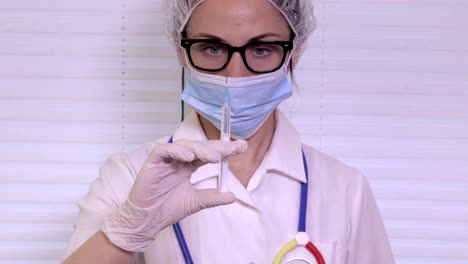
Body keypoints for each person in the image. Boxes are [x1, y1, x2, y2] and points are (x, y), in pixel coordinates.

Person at [62, 0, 395, 263]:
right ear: (181, 49)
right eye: (212, 48)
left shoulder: (345, 187)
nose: (235, 75)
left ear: (295, 51)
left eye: (261, 49)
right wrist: (127, 231)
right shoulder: (129, 174)